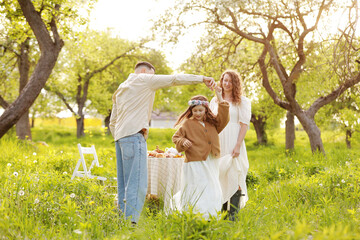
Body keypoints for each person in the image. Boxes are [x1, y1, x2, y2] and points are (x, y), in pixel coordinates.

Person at [109, 61, 216, 224]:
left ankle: (121, 221)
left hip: (120, 139)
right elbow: (175, 79)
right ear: (144, 71)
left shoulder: (121, 88)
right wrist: (202, 78)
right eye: (153, 74)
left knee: (124, 184)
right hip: (134, 135)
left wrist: (120, 135)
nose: (154, 79)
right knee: (137, 184)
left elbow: (113, 121)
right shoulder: (144, 79)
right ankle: (131, 224)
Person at [170, 87, 229, 219]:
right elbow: (176, 137)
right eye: (195, 110)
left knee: (211, 185)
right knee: (197, 186)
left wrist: (219, 96)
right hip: (194, 161)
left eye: (200, 110)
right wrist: (183, 141)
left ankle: (210, 213)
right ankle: (195, 214)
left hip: (211, 159)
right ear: (191, 110)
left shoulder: (213, 123)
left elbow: (224, 118)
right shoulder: (187, 124)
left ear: (206, 110)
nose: (197, 113)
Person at [210, 70, 251, 221]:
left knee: (234, 174)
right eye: (224, 80)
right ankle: (221, 212)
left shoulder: (242, 101)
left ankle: (232, 216)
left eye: (230, 81)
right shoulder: (214, 101)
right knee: (219, 175)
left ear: (235, 83)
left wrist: (238, 145)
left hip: (234, 139)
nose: (227, 84)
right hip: (218, 140)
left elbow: (244, 125)